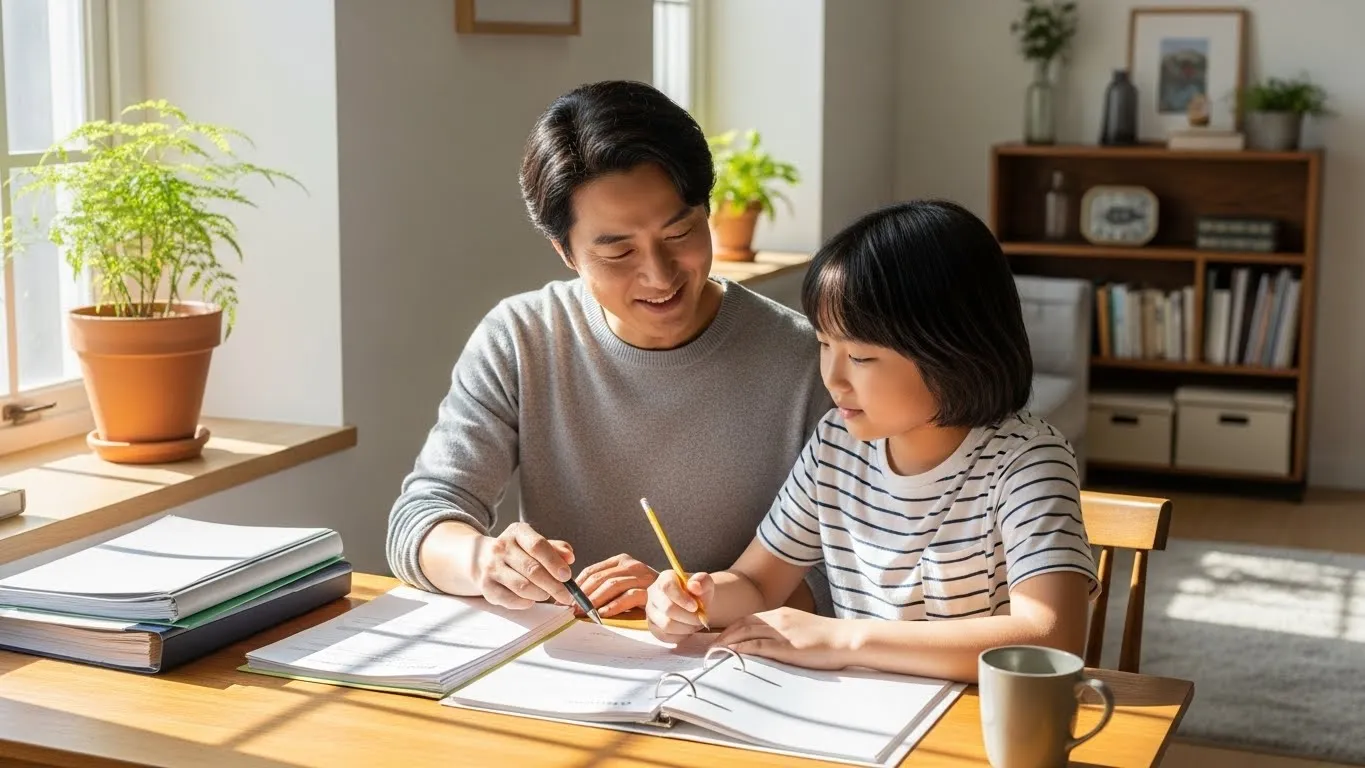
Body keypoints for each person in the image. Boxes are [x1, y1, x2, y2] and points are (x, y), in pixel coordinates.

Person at [386, 80, 834, 619]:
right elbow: (422, 518)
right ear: (566, 252)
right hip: (567, 654)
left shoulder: (807, 360)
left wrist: (700, 602)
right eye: (619, 252)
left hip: (737, 657)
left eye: (679, 234)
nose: (660, 275)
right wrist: (486, 561)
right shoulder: (522, 340)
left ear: (707, 211)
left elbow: (842, 578)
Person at [644, 199, 1100, 683]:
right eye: (824, 344)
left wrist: (844, 640)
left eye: (860, 357)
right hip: (864, 712)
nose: (833, 377)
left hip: (977, 718)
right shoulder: (836, 445)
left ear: (951, 349)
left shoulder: (1028, 461)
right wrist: (699, 597)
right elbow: (757, 583)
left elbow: (1051, 637)